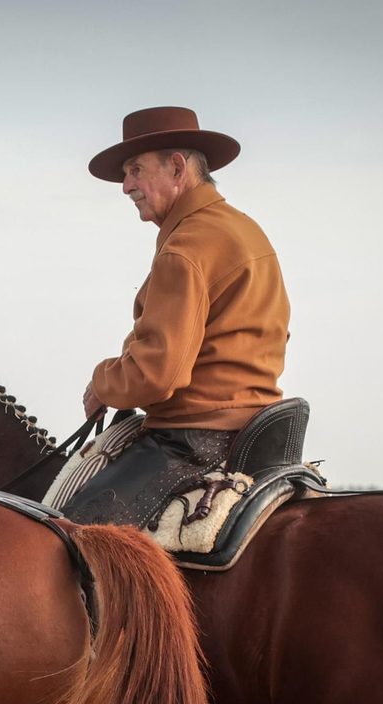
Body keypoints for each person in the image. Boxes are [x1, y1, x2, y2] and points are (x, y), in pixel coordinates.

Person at [67, 106, 290, 527]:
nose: (126, 186)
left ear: (176, 167)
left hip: (194, 440)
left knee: (70, 534)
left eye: (135, 170)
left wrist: (103, 384)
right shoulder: (246, 230)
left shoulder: (184, 248)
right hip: (256, 432)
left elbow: (158, 373)